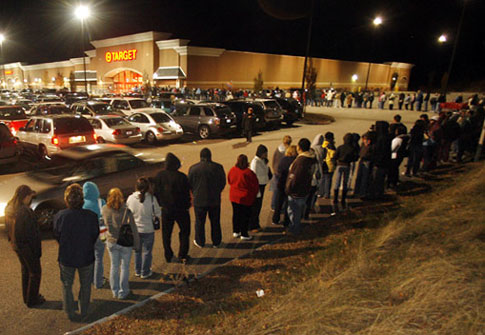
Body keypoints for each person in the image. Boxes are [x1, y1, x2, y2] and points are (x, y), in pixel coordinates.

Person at [53, 184, 99, 320]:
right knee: (85, 285)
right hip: (86, 256)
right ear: (82, 200)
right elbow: (94, 235)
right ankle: (84, 309)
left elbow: (57, 234)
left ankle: (69, 311)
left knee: (67, 285)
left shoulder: (60, 216)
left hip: (66, 257)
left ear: (67, 199)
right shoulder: (91, 216)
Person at [5, 185, 45, 308]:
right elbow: (31, 234)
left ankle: (27, 297)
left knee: (25, 270)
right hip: (26, 247)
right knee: (35, 272)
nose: (30, 199)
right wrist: (36, 251)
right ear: (25, 197)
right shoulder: (24, 212)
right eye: (29, 196)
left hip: (16, 245)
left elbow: (9, 228)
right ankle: (33, 299)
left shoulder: (10, 208)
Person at [153, 153, 191, 263]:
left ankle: (168, 255)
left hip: (166, 209)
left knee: (166, 233)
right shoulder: (182, 177)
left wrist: (161, 204)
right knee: (184, 231)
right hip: (181, 209)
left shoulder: (160, 176)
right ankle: (183, 254)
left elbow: (156, 192)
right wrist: (187, 205)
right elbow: (186, 193)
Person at [102, 188, 140, 300]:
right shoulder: (126, 210)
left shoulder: (104, 209)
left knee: (114, 266)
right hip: (125, 242)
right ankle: (123, 291)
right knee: (125, 267)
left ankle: (115, 291)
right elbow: (133, 228)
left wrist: (103, 239)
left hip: (111, 241)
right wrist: (136, 244)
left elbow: (102, 225)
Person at [188, 148, 226, 248]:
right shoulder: (218, 167)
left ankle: (200, 241)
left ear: (200, 157)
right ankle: (216, 241)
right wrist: (217, 191)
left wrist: (195, 192)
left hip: (199, 201)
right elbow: (223, 182)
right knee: (215, 222)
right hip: (214, 200)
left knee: (200, 222)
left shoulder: (193, 168)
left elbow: (190, 184)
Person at [126, 177, 160, 279]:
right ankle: (145, 272)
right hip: (148, 229)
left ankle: (137, 270)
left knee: (137, 251)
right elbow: (158, 213)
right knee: (147, 252)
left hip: (135, 229)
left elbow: (127, 213)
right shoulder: (152, 199)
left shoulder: (130, 198)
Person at [285, 138, 317, 234]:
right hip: (305, 188)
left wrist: (288, 188)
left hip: (297, 190)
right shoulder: (312, 158)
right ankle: (295, 227)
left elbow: (294, 177)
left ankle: (295, 229)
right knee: (297, 210)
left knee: (294, 211)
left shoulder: (301, 161)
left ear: (299, 147)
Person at [228, 154, 260, 240]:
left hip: (234, 196)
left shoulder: (233, 170)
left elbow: (229, 180)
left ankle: (236, 231)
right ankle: (244, 233)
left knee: (236, 214)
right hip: (246, 197)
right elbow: (255, 185)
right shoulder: (249, 173)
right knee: (245, 216)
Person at [82, 181, 107, 289]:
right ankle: (98, 281)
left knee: (90, 258)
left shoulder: (82, 204)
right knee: (99, 258)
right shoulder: (101, 202)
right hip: (100, 233)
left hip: (87, 235)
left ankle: (91, 278)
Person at [332, 133, 359, 213]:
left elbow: (335, 156)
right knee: (345, 182)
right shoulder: (352, 148)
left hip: (340, 165)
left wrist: (335, 163)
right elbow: (355, 157)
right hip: (347, 165)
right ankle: (343, 199)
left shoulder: (340, 147)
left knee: (337, 181)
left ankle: (335, 198)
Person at [272, 145, 298, 226]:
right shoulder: (295, 161)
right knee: (288, 203)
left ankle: (275, 219)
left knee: (278, 202)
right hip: (289, 184)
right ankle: (286, 221)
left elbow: (279, 170)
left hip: (281, 183)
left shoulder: (283, 159)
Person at [249, 145, 270, 231]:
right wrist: (256, 190)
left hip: (262, 185)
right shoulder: (255, 162)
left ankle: (256, 223)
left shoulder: (262, 161)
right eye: (265, 153)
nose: (266, 155)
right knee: (255, 207)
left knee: (258, 206)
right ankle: (252, 225)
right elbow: (253, 176)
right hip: (257, 187)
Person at [270, 135, 292, 210]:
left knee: (275, 191)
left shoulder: (278, 149)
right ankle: (281, 206)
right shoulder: (288, 151)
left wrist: (274, 168)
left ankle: (273, 205)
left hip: (276, 171)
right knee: (283, 191)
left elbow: (273, 159)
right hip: (283, 173)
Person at [321, 132, 336, 199]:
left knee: (323, 179)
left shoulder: (323, 144)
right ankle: (326, 194)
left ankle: (321, 192)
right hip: (329, 164)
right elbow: (333, 156)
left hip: (323, 163)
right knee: (328, 179)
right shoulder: (331, 146)